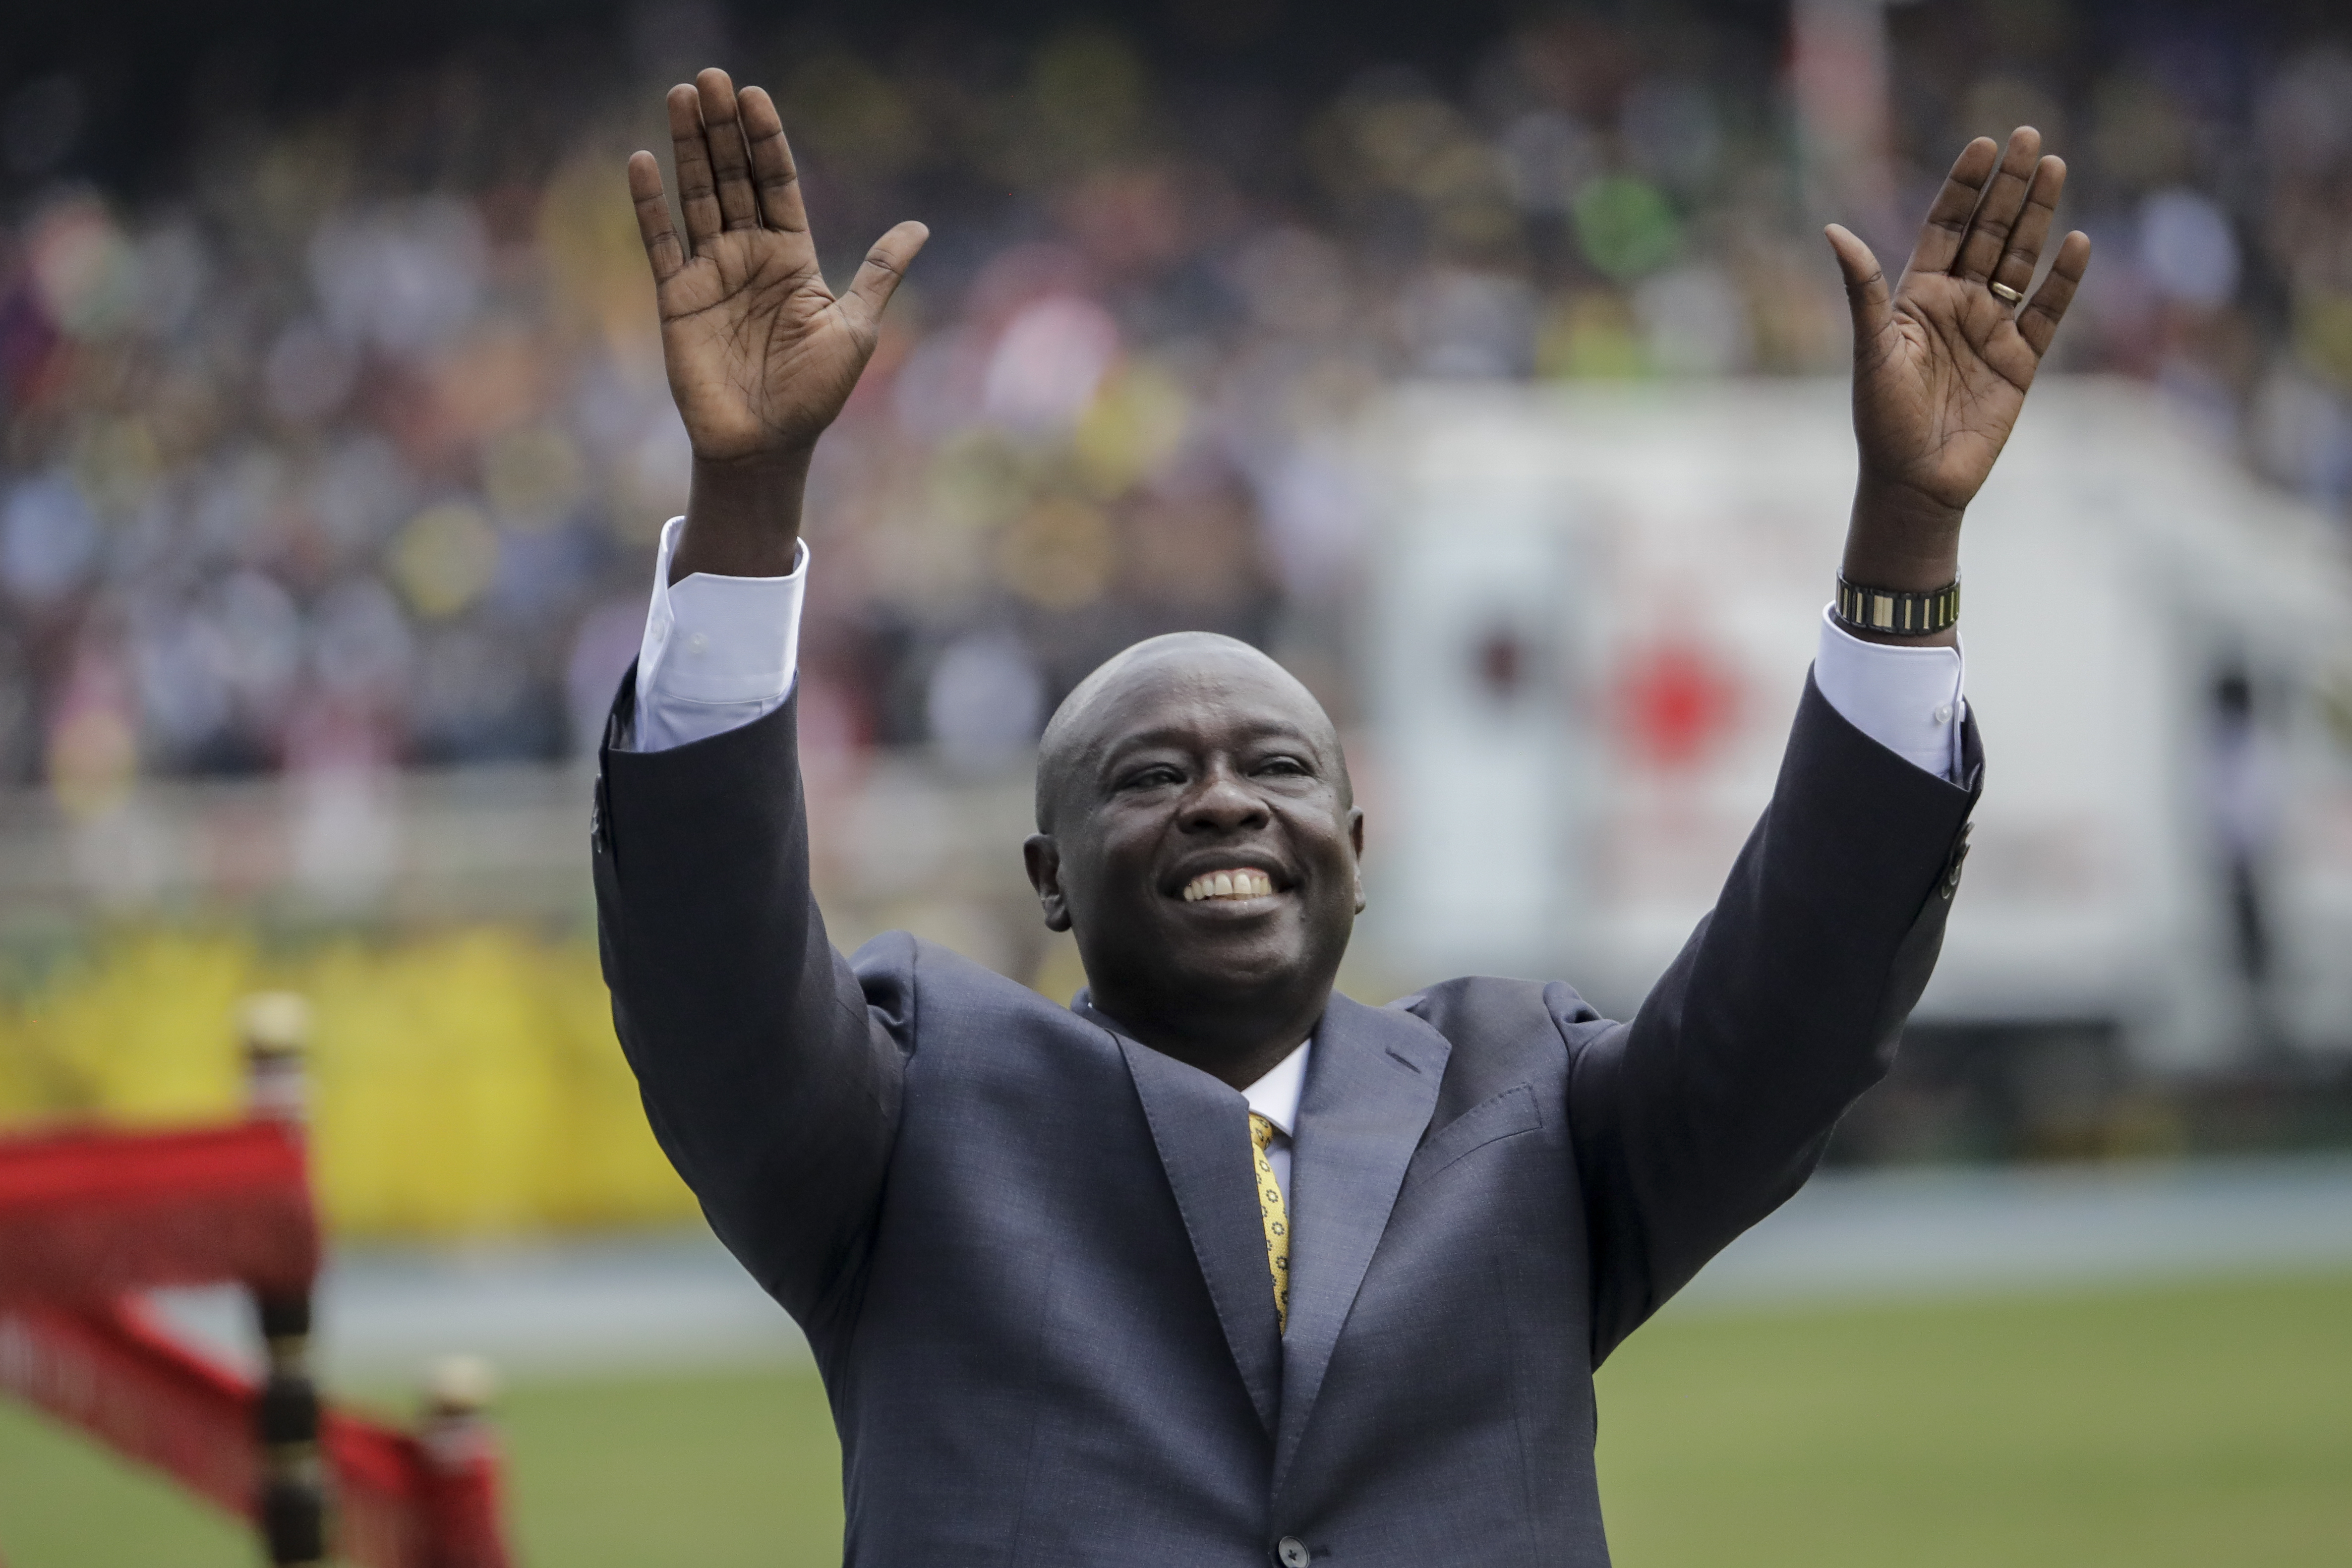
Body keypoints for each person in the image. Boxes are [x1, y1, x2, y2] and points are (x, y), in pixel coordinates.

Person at [592, 67, 2089, 1566]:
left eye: (1279, 768)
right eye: (1150, 776)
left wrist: (1909, 528)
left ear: (1357, 856)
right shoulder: (907, 1120)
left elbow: (1806, 988)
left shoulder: (1529, 1106)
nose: (1224, 797)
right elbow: (710, 965)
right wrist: (748, 496)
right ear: (1049, 877)